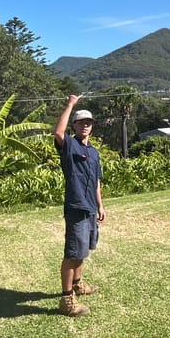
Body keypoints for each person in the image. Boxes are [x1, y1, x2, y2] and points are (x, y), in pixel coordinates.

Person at [54, 95, 106, 316]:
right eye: (81, 122)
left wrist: (100, 206)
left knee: (82, 251)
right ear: (74, 125)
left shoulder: (93, 152)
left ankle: (78, 284)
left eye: (88, 123)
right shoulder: (69, 146)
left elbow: (96, 181)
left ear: (91, 127)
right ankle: (67, 300)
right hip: (76, 207)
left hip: (90, 208)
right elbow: (57, 133)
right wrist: (70, 105)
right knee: (73, 252)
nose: (85, 125)